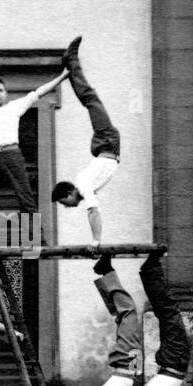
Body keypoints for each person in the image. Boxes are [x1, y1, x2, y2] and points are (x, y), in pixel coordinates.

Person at [51, 36, 121, 246]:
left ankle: (71, 60)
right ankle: (70, 66)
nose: (68, 207)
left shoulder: (82, 185)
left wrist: (96, 240)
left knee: (90, 99)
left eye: (66, 202)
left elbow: (93, 210)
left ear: (71, 192)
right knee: (89, 100)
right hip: (105, 146)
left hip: (107, 141)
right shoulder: (84, 185)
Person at [0, 71, 67, 214]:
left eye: (1, 90)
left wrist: (63, 76)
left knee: (26, 198)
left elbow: (39, 93)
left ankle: (37, 236)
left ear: (6, 94)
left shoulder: (14, 106)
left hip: (11, 154)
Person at [76, 254, 142, 386]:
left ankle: (106, 272)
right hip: (128, 365)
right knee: (125, 315)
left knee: (127, 313)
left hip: (128, 365)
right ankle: (106, 272)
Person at [127, 252, 191, 386]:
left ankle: (149, 269)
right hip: (176, 359)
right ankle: (150, 268)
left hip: (170, 359)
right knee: (167, 311)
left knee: (164, 312)